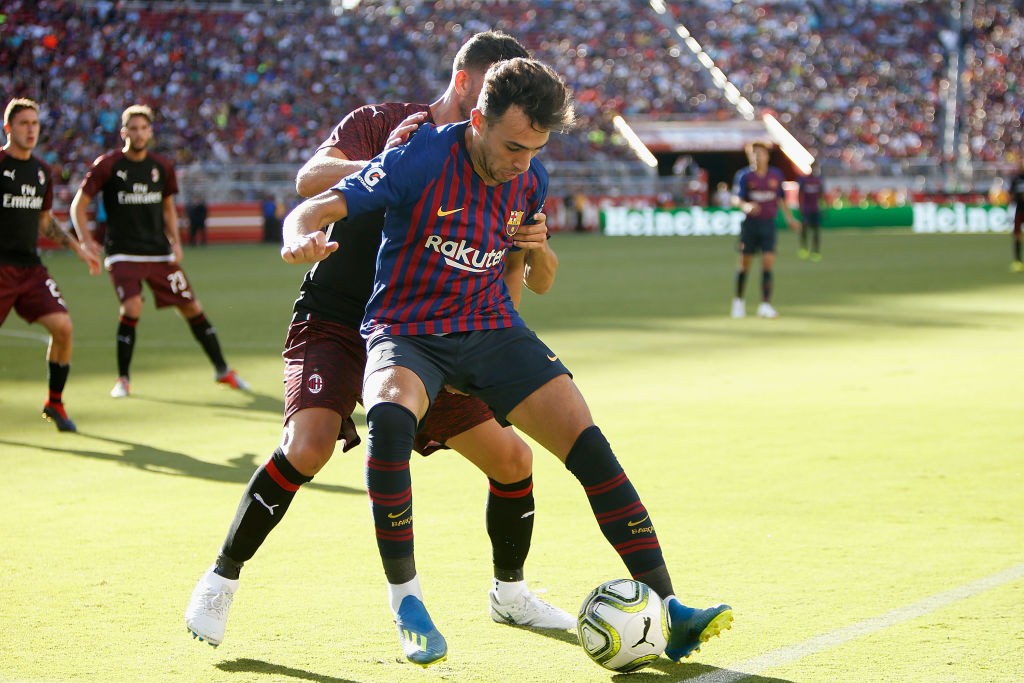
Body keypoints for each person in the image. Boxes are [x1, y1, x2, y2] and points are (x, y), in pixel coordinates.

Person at [280, 57, 732, 667]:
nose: (523, 162)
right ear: (476, 120)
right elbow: (314, 205)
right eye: (514, 146)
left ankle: (670, 609)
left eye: (536, 149)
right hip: (407, 329)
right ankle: (408, 604)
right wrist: (298, 236)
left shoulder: (530, 180)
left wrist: (538, 255)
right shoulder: (419, 157)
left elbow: (536, 275)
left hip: (491, 328)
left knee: (587, 439)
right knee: (389, 419)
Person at [184, 31, 571, 653]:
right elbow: (310, 178)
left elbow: (515, 272)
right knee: (306, 446)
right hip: (338, 314)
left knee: (513, 460)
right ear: (470, 83)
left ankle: (511, 594)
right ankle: (221, 577)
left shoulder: (499, 165)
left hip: (427, 329)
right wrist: (389, 167)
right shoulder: (381, 123)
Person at [69, 104, 248, 398]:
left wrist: (175, 241)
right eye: (134, 129)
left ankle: (223, 370)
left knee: (192, 307)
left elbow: (167, 207)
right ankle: (123, 379)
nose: (139, 134)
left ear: (150, 132)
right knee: (133, 306)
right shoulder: (108, 165)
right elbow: (79, 203)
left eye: (144, 128)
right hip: (123, 253)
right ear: (124, 132)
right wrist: (86, 241)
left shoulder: (161, 167)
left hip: (159, 254)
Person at [1, 98, 101, 432]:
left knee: (63, 327)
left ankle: (54, 403)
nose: (30, 130)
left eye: (35, 124)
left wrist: (79, 249)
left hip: (30, 268)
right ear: (8, 128)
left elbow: (45, 222)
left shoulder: (42, 171)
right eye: (23, 124)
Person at [730, 140, 800, 319]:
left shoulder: (776, 175)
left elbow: (781, 200)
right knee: (744, 264)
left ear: (767, 156)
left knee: (768, 263)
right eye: (753, 153)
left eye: (760, 153)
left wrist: (790, 219)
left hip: (768, 224)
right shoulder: (744, 176)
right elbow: (735, 199)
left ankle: (765, 305)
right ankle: (739, 301)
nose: (756, 156)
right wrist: (745, 206)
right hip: (750, 226)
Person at [796, 160, 825, 261]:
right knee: (804, 229)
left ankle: (816, 251)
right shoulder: (804, 179)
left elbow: (821, 195)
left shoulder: (819, 180)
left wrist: (822, 206)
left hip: (815, 209)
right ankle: (804, 248)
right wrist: (800, 206)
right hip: (806, 209)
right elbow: (800, 194)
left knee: (816, 231)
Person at [1009, 161, 1024, 272]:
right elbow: (1011, 194)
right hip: (1019, 210)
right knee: (1017, 235)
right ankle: (1018, 261)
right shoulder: (1016, 179)